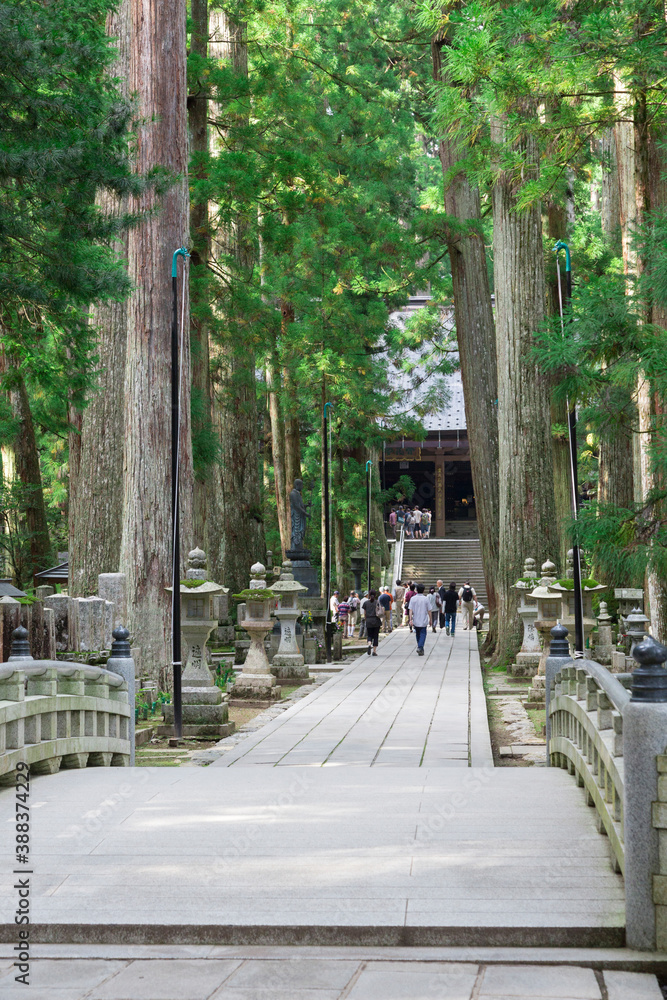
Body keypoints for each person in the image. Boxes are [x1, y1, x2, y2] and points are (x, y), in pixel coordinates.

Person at [409, 583, 430, 655]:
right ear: (423, 590)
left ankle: (420, 647)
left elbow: (410, 610)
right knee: (423, 634)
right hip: (423, 619)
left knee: (418, 634)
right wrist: (431, 619)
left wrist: (410, 619)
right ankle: (420, 647)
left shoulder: (413, 598)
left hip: (416, 619)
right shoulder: (426, 599)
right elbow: (429, 610)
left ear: (416, 590)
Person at [363, 589, 383, 656]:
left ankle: (369, 644)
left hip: (368, 620)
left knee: (369, 635)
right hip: (376, 620)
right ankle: (374, 651)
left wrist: (366, 619)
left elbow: (365, 613)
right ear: (375, 595)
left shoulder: (366, 603)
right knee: (375, 636)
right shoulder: (377, 602)